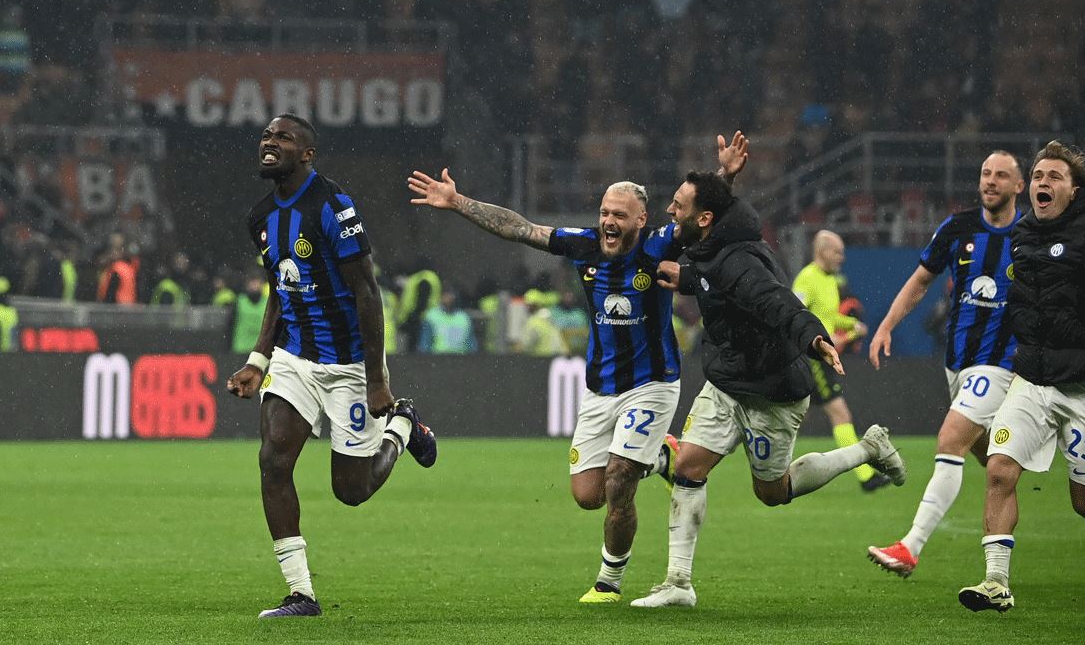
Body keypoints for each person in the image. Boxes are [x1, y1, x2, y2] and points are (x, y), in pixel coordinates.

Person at [406, 133, 749, 604]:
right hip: (599, 388)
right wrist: (458, 201)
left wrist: (726, 175)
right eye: (605, 212)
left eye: (620, 215)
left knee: (620, 479)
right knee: (589, 495)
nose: (609, 221)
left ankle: (609, 581)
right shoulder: (584, 245)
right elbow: (521, 229)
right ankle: (661, 458)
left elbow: (701, 214)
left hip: (651, 384)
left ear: (641, 220)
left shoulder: (659, 245)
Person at [633, 171, 907, 608]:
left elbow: (776, 302)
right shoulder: (714, 244)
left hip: (771, 390)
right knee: (688, 467)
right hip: (728, 383)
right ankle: (678, 583)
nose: (670, 210)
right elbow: (714, 278)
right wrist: (687, 278)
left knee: (772, 493)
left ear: (704, 218)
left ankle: (867, 449)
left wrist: (814, 338)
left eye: (678, 206)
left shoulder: (739, 260)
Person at [226, 114, 436, 619]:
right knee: (273, 461)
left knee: (351, 490)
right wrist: (258, 359)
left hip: (349, 366)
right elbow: (280, 290)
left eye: (283, 137)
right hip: (294, 358)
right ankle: (301, 594)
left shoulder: (333, 205)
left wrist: (376, 380)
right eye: (266, 136)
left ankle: (402, 428)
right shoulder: (260, 217)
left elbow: (367, 291)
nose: (270, 142)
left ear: (307, 154)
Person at [865, 151, 1025, 576]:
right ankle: (999, 566)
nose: (990, 181)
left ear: (1018, 186)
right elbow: (921, 281)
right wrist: (887, 326)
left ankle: (910, 547)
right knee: (999, 467)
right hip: (957, 364)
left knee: (950, 439)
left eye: (1001, 175)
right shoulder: (958, 228)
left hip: (1000, 364)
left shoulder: (1030, 236)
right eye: (986, 173)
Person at [958, 141, 1085, 613]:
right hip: (1032, 380)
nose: (1043, 183)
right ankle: (995, 582)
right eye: (1038, 176)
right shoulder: (1022, 233)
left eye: (1054, 177)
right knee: (999, 469)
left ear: (1074, 190)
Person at [792, 230, 889, 491]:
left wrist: (850, 324)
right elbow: (794, 315)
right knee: (839, 414)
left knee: (795, 415)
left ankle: (770, 465)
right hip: (811, 357)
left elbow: (828, 316)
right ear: (821, 252)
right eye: (837, 252)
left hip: (822, 357)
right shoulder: (807, 278)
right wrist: (819, 339)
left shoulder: (830, 280)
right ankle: (865, 475)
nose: (841, 257)